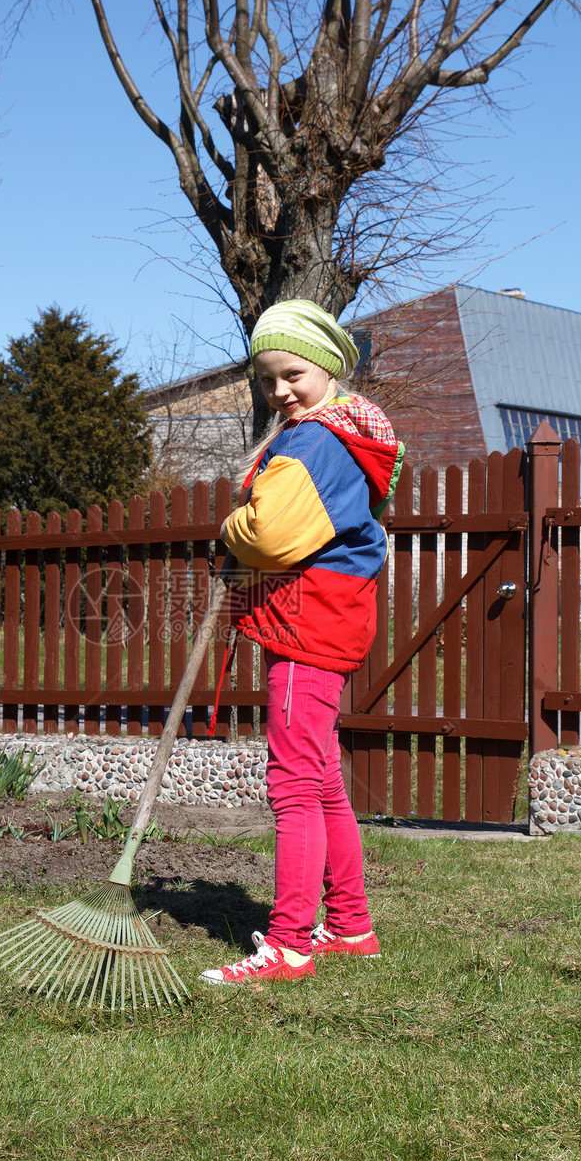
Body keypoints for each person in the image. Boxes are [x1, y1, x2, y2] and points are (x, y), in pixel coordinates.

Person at [199, 299, 404, 985]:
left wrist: (230, 531)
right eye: (267, 379)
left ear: (326, 364)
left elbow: (272, 536)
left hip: (308, 624)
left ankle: (287, 946)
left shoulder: (317, 440)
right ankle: (349, 926)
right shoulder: (341, 430)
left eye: (293, 373)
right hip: (330, 617)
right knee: (319, 779)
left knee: (293, 782)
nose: (281, 390)